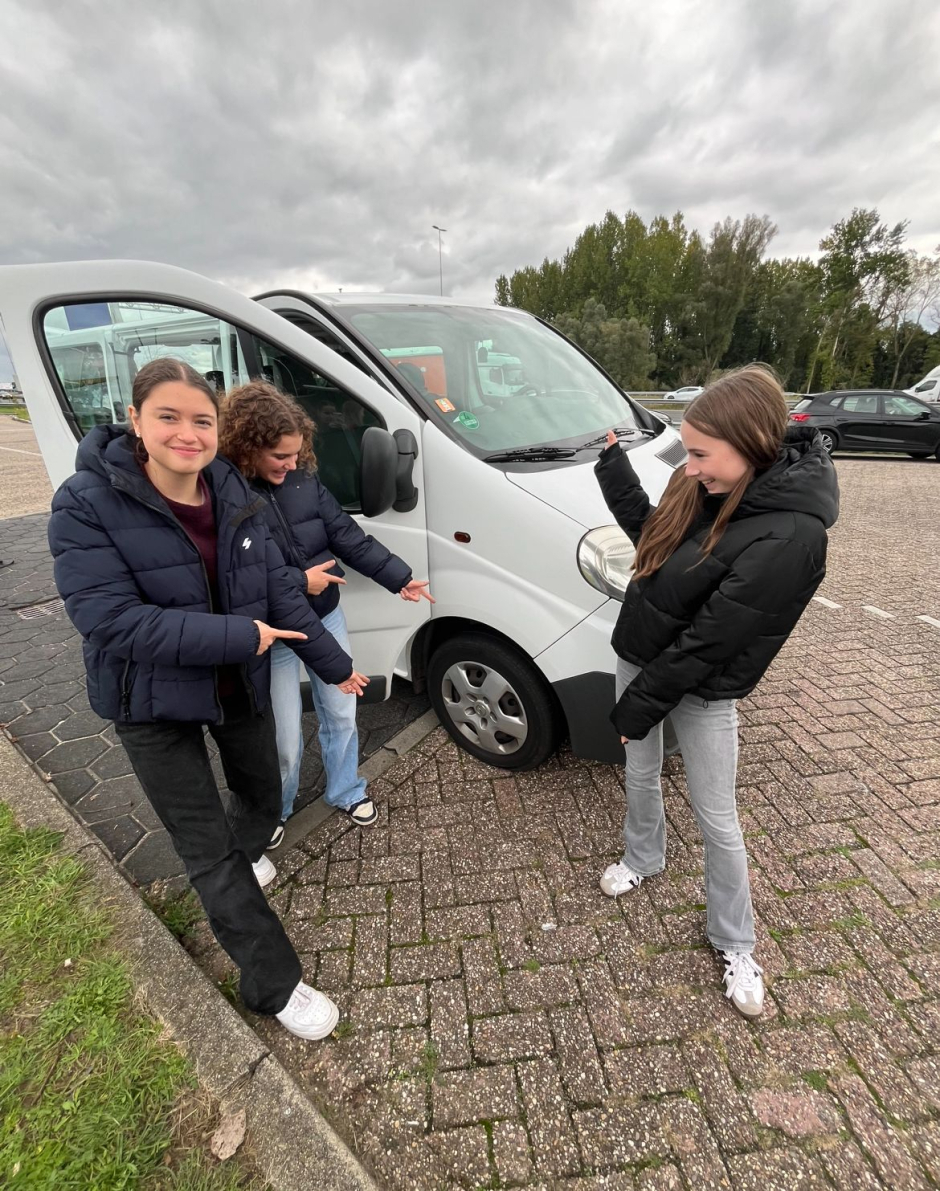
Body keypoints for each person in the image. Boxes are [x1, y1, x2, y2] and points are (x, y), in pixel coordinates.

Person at [48, 357, 369, 1042]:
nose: (187, 434)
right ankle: (274, 984)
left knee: (263, 794)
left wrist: (336, 666)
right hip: (149, 702)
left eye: (201, 420)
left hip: (234, 684)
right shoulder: (84, 502)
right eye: (168, 416)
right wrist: (241, 635)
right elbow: (109, 619)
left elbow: (276, 585)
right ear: (135, 420)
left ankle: (247, 850)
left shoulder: (228, 486)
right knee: (206, 848)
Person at [594, 366, 838, 1017]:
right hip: (640, 657)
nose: (689, 465)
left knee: (716, 816)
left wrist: (636, 706)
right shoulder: (707, 482)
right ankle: (643, 856)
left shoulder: (792, 534)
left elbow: (709, 642)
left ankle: (735, 942)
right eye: (688, 450)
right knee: (639, 772)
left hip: (702, 687)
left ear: (749, 441)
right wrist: (613, 468)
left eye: (700, 452)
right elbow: (654, 540)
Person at [218, 380, 433, 845]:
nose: (291, 463)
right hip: (274, 630)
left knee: (341, 711)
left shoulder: (303, 479)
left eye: (297, 453)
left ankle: (345, 789)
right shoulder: (227, 492)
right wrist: (301, 581)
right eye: (280, 456)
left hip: (325, 615)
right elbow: (243, 575)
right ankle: (277, 809)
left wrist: (399, 577)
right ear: (247, 447)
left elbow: (346, 535)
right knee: (284, 738)